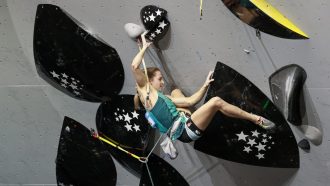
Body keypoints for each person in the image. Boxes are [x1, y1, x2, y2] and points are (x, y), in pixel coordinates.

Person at [131, 33, 274, 143]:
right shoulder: (146, 93)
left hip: (184, 121)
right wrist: (144, 47)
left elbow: (190, 102)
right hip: (186, 131)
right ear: (148, 81)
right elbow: (135, 66)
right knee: (216, 101)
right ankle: (255, 119)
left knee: (175, 91)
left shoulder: (163, 97)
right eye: (160, 79)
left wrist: (204, 86)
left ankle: (201, 116)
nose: (162, 83)